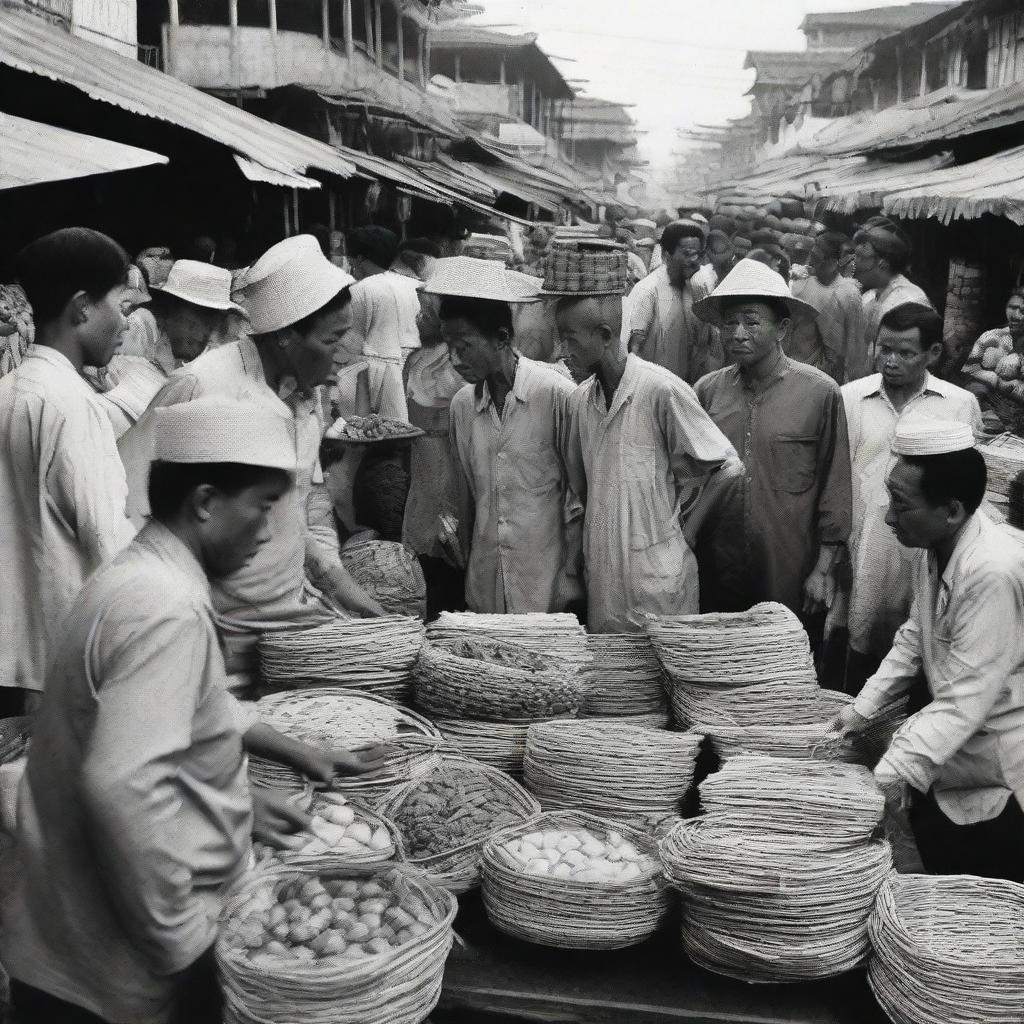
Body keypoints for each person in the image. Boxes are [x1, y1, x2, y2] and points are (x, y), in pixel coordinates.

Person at [0, 396, 383, 1024]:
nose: (267, 532)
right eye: (261, 506)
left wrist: (234, 799)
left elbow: (165, 720)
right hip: (109, 968)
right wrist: (182, 943)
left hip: (58, 938)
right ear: (205, 503)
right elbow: (122, 787)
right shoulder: (165, 608)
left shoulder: (137, 577)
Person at [120, 234, 383, 684]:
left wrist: (334, 580)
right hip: (211, 652)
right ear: (285, 336)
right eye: (332, 339)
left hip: (282, 640)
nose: (343, 354)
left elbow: (291, 516)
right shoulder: (201, 387)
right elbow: (131, 512)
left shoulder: (306, 398)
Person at [833, 418, 1024, 882]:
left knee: (982, 903)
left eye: (901, 505)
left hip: (997, 764)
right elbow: (916, 637)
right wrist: (861, 710)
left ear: (952, 509)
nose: (888, 518)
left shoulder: (991, 570)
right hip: (953, 758)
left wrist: (888, 772)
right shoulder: (935, 545)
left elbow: (967, 697)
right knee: (941, 864)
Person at [557, 255, 740, 633]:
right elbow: (579, 495)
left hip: (659, 571)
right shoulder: (580, 402)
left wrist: (685, 534)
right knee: (615, 680)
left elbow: (728, 468)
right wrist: (573, 566)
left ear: (606, 335)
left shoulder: (661, 389)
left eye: (571, 339)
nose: (563, 351)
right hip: (604, 572)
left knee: (661, 677)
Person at [0, 228, 136, 711]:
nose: (125, 323)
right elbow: (106, 540)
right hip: (66, 663)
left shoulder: (10, 389)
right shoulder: (74, 405)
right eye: (119, 305)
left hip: (14, 662)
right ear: (82, 307)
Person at [693, 259, 852, 650]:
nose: (737, 334)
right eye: (728, 323)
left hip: (790, 568)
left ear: (782, 329)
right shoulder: (707, 392)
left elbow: (836, 485)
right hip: (717, 566)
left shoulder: (820, 393)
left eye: (751, 322)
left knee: (784, 675)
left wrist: (823, 569)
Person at [430, 257, 583, 615]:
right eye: (447, 345)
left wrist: (571, 574)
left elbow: (578, 496)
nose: (453, 359)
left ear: (500, 339)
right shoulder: (462, 406)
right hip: (485, 582)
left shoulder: (556, 394)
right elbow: (467, 492)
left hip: (545, 582)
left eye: (463, 346)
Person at [841, 303, 982, 691]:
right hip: (863, 539)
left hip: (925, 544)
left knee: (923, 634)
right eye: (884, 349)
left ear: (932, 353)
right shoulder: (851, 398)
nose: (890, 361)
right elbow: (835, 478)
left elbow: (967, 486)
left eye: (905, 353)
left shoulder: (958, 404)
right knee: (859, 636)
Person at [93, 260, 245, 437]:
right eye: (190, 320)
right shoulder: (139, 329)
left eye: (207, 320)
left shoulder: (210, 359)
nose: (197, 331)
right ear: (171, 310)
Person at [402, 257, 472, 619]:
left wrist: (453, 510)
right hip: (421, 493)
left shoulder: (461, 370)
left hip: (453, 497)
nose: (417, 320)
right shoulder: (414, 362)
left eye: (424, 312)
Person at [343, 226, 423, 421]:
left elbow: (351, 345)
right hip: (418, 373)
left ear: (358, 259)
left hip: (375, 376)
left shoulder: (361, 289)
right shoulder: (418, 286)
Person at [629, 219, 722, 385]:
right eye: (687, 254)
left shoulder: (698, 287)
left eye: (698, 254)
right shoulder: (647, 291)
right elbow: (632, 350)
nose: (695, 260)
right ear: (666, 255)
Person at [854, 217, 930, 377]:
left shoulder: (910, 300)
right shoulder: (868, 298)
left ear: (883, 263)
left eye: (862, 258)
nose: (856, 265)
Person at [789, 232, 864, 384]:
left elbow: (854, 345)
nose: (812, 260)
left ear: (836, 261)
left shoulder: (848, 293)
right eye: (812, 253)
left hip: (828, 378)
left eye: (819, 257)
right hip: (795, 370)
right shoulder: (801, 284)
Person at [962, 286, 1024, 434]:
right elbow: (971, 375)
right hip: (991, 413)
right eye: (1012, 307)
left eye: (1022, 311)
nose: (1015, 315)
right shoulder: (992, 338)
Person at [690, 230, 736, 302]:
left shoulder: (735, 272)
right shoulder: (701, 277)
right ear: (708, 252)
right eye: (720, 253)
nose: (727, 257)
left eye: (728, 251)